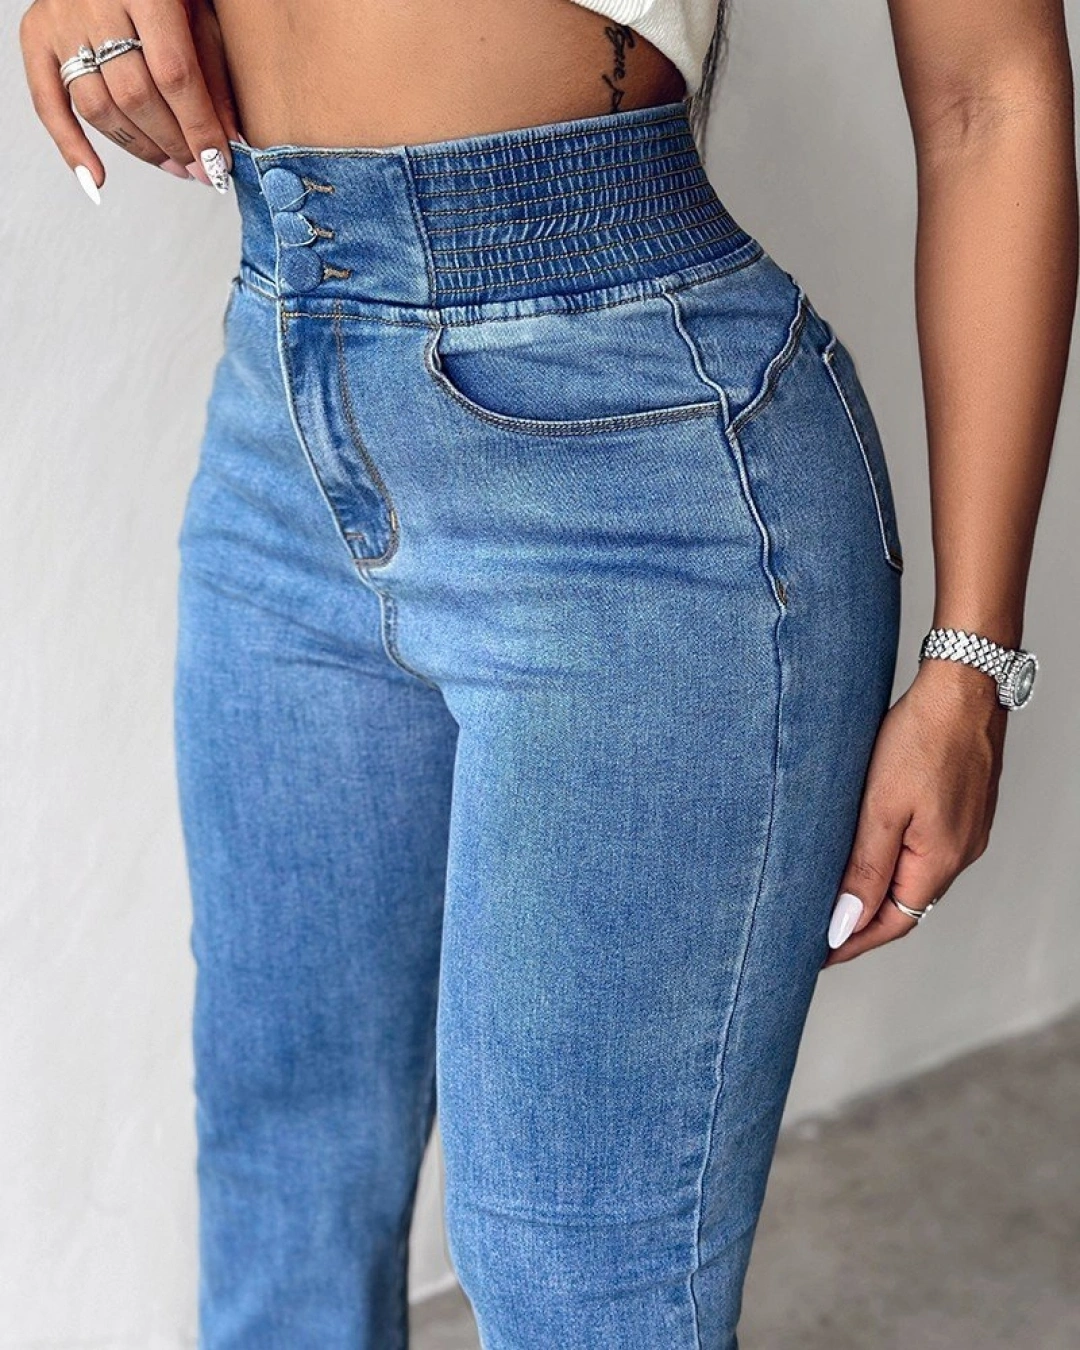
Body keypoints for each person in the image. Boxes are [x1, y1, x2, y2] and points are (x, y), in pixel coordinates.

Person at [18, 0, 1076, 1345]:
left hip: (638, 467)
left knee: (581, 1282)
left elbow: (991, 96)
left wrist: (973, 662)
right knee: (284, 1193)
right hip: (283, 401)